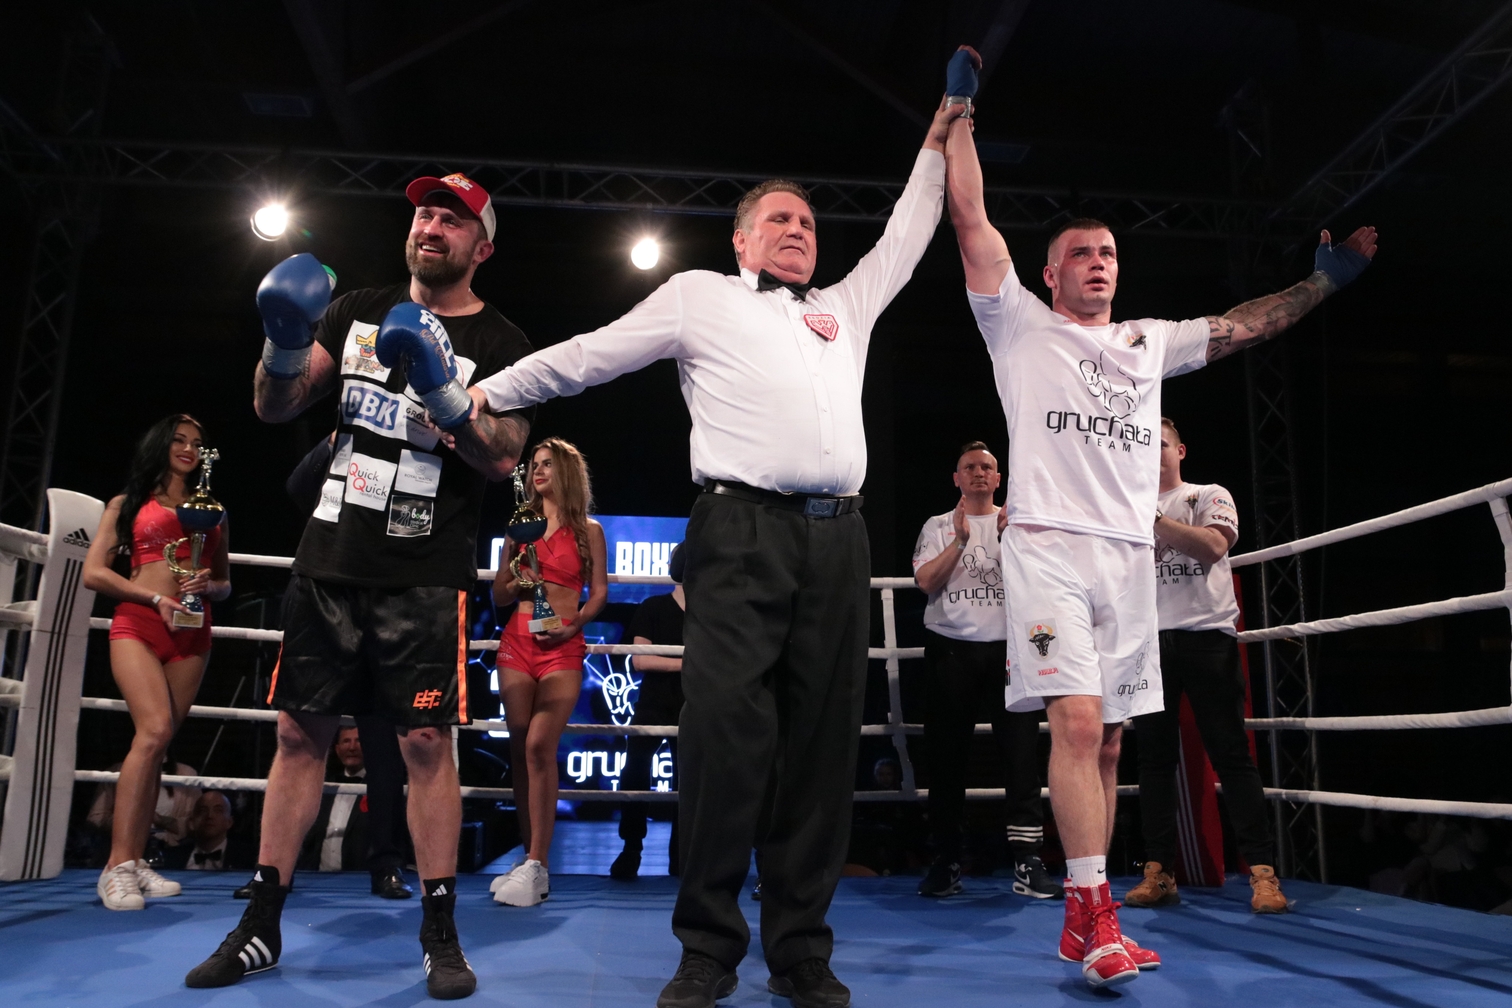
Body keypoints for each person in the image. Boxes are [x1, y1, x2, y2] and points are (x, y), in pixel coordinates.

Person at [467, 87, 959, 1008]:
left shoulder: (845, 306)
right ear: (741, 240)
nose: (798, 230)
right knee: (724, 739)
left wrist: (936, 140)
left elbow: (907, 230)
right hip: (736, 534)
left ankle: (801, 951)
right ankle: (707, 949)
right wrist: (488, 392)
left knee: (821, 749)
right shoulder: (700, 295)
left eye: (808, 221)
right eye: (779, 218)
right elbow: (592, 353)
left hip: (839, 538)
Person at [942, 45, 1376, 989]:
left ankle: (1085, 911)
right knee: (1076, 722)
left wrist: (1323, 285)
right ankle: (1094, 915)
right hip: (1049, 549)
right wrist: (960, 111)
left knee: (1107, 740)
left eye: (1108, 254)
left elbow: (1245, 323)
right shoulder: (1018, 324)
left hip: (1129, 563)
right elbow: (971, 217)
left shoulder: (1149, 343)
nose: (1098, 263)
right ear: (1050, 273)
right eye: (1081, 254)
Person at [185, 171, 533, 1000]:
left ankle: (440, 931)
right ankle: (260, 923)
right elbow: (276, 405)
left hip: (426, 570)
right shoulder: (356, 312)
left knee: (425, 745)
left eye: (452, 219)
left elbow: (503, 456)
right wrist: (281, 339)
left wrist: (446, 394)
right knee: (298, 737)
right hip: (330, 558)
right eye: (424, 213)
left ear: (482, 247)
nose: (431, 226)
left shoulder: (505, 340)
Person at [1125, 418, 1287, 914]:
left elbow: (1215, 546)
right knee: (1153, 761)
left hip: (1206, 637)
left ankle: (1263, 874)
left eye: (1162, 443)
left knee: (1231, 753)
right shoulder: (1121, 508)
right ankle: (1158, 871)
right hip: (1147, 642)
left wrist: (1152, 519)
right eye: (1145, 443)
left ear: (1181, 450)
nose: (1153, 451)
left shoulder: (1208, 495)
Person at [82, 414, 231, 911]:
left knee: (160, 743)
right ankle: (116, 866)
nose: (189, 448)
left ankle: (136, 860)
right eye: (179, 440)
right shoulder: (127, 504)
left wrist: (208, 585)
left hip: (193, 631)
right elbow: (94, 573)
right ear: (160, 445)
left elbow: (225, 583)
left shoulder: (212, 510)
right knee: (152, 733)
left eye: (197, 443)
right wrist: (153, 598)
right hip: (140, 623)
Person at [265, 432, 415, 901]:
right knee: (298, 737)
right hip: (327, 595)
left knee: (384, 749)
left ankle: (387, 864)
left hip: (389, 602)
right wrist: (335, 439)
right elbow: (297, 488)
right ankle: (273, 872)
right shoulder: (345, 436)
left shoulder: (416, 446)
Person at [911, 441, 1059, 901]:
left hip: (1011, 651)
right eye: (970, 466)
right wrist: (960, 540)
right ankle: (946, 859)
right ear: (957, 478)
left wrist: (1016, 541)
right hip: (950, 650)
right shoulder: (937, 525)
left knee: (1021, 757)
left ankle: (1028, 860)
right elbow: (925, 581)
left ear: (998, 478)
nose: (978, 472)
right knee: (946, 759)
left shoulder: (1018, 523)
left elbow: (1046, 582)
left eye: (987, 467)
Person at [488, 438, 608, 906]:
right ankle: (529, 859)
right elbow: (499, 594)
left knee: (540, 744)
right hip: (517, 643)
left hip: (563, 647)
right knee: (521, 748)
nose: (537, 471)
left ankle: (538, 862)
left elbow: (598, 593)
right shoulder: (519, 526)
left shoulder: (589, 530)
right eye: (533, 465)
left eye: (546, 464)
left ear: (566, 472)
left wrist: (573, 625)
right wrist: (522, 578)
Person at [610, 543, 687, 881]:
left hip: (694, 705)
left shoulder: (711, 613)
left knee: (689, 780)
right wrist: (689, 662)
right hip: (653, 704)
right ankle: (631, 848)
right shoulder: (653, 607)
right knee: (635, 770)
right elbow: (640, 660)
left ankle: (682, 853)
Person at [294, 725, 389, 873]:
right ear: (337, 750)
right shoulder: (322, 787)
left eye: (359, 741)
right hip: (317, 878)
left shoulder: (382, 788)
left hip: (361, 878)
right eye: (346, 741)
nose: (352, 747)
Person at [162, 791, 255, 871]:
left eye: (218, 810)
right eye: (203, 811)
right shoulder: (170, 857)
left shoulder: (250, 858)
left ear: (229, 822)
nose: (210, 816)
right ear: (191, 822)